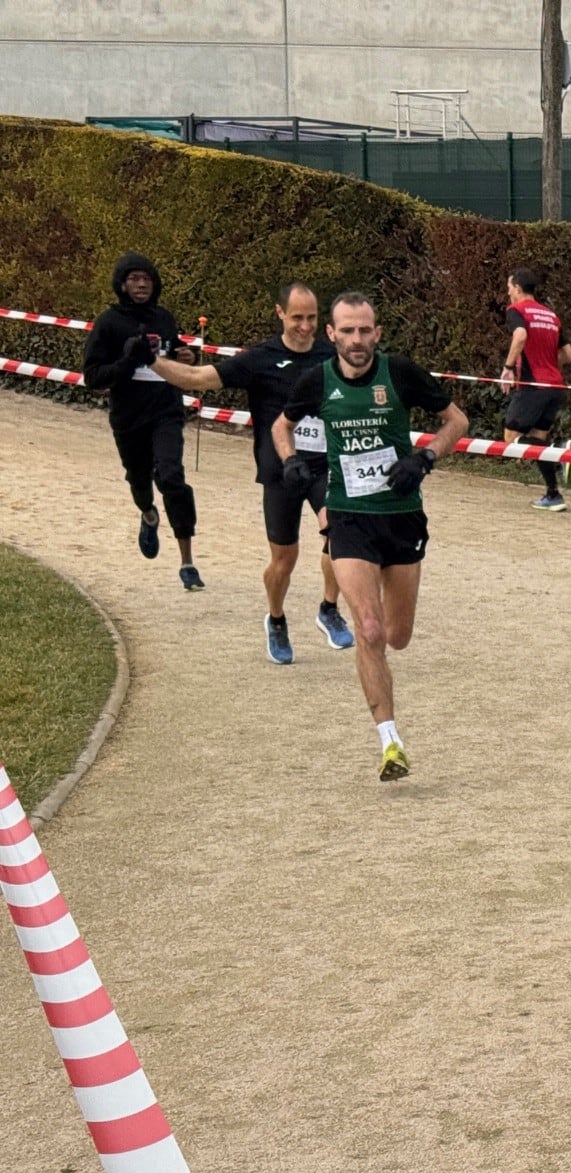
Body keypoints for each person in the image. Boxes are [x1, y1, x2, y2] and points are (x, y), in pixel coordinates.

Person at [274, 292, 469, 781]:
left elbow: (458, 421)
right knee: (371, 629)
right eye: (348, 331)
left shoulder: (400, 373)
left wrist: (423, 459)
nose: (357, 340)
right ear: (332, 335)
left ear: (377, 333)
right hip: (348, 517)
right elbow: (283, 426)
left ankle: (387, 722)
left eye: (366, 331)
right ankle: (390, 742)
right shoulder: (316, 380)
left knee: (398, 636)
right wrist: (292, 462)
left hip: (401, 515)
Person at [150, 282, 356, 663]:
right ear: (280, 314)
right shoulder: (261, 357)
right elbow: (197, 380)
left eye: (312, 318)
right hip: (280, 471)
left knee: (340, 533)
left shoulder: (333, 355)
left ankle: (329, 608)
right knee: (284, 560)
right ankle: (276, 619)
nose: (306, 326)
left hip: (326, 466)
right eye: (297, 318)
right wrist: (150, 362)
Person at [80, 253, 204, 590]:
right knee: (138, 480)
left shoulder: (163, 317)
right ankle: (148, 515)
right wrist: (126, 361)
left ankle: (187, 561)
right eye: (134, 279)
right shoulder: (108, 323)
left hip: (166, 410)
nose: (141, 285)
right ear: (122, 284)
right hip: (129, 416)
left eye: (146, 279)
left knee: (172, 477)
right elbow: (92, 376)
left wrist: (187, 357)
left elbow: (177, 352)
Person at [498, 267, 571, 513]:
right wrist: (548, 364)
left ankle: (558, 452)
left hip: (534, 387)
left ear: (518, 289)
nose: (508, 292)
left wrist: (508, 368)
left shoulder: (516, 311)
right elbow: (568, 355)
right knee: (535, 440)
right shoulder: (551, 315)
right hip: (555, 386)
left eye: (509, 287)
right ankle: (553, 494)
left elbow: (520, 335)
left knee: (511, 439)